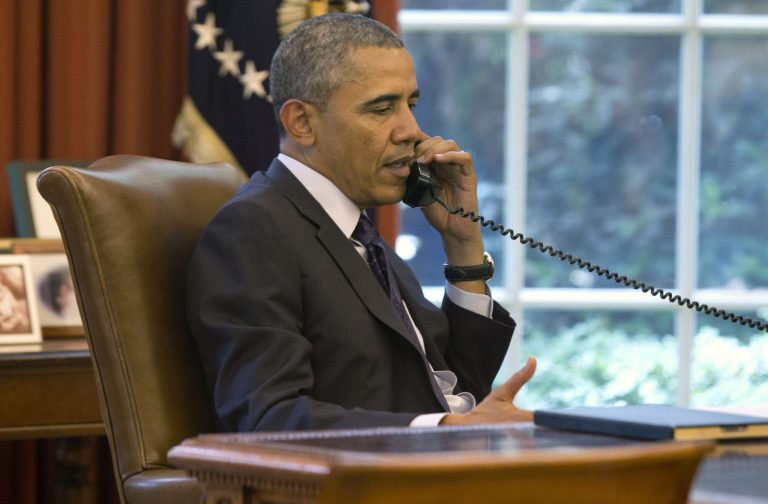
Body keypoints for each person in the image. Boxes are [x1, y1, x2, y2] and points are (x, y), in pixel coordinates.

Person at [187, 13, 536, 432]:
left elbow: (458, 390)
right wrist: (440, 429)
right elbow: (267, 417)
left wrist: (462, 242)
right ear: (302, 123)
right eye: (382, 108)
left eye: (411, 105)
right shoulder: (253, 229)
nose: (411, 130)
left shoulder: (355, 229)